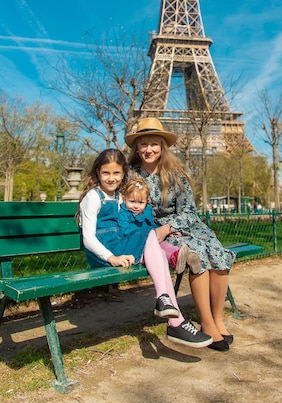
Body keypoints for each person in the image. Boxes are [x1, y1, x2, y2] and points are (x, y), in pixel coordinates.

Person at [77, 148, 212, 349]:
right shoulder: (93, 197)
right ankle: (169, 304)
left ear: (124, 173)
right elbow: (88, 238)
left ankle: (173, 315)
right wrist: (111, 257)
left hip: (119, 243)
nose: (111, 178)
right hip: (105, 252)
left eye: (116, 173)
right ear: (97, 172)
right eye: (106, 173)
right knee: (149, 237)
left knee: (150, 235)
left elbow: (130, 223)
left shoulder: (118, 196)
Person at [126, 118, 236, 352]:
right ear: (136, 147)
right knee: (198, 255)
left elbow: (189, 211)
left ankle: (217, 319)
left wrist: (168, 227)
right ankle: (206, 323)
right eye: (143, 144)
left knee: (219, 254)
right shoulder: (130, 175)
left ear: (162, 146)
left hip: (182, 226)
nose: (148, 149)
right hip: (155, 234)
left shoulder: (174, 173)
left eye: (154, 144)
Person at [119, 177, 201, 275]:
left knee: (162, 244)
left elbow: (151, 226)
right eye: (132, 201)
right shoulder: (124, 213)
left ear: (147, 201)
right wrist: (147, 234)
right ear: (124, 199)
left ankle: (181, 255)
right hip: (135, 248)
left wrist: (166, 232)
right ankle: (175, 259)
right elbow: (125, 231)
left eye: (141, 203)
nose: (136, 206)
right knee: (156, 250)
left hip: (147, 243)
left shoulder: (146, 211)